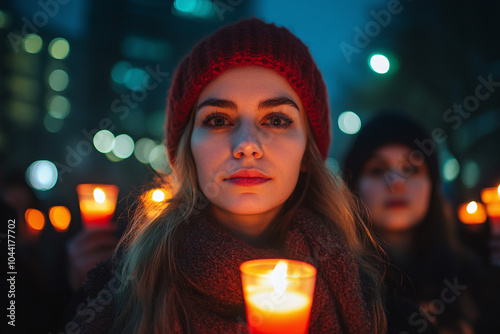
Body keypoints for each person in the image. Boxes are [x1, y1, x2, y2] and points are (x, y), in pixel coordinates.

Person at [63, 18, 387, 333]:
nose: (246, 145)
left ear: (307, 153)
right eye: (218, 120)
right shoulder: (116, 292)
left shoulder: (374, 299)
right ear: (188, 147)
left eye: (276, 120)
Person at [342, 111, 486, 334]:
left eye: (412, 169)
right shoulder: (337, 285)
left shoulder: (475, 277)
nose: (396, 183)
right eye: (378, 170)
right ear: (353, 187)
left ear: (432, 185)